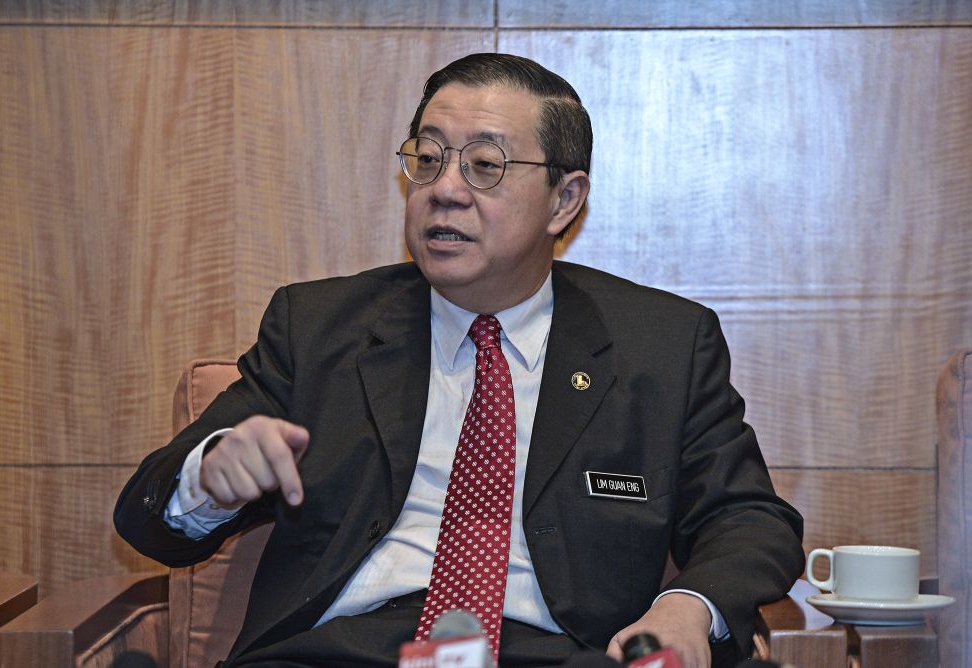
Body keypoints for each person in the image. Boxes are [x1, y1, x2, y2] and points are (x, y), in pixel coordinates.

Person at [115, 53, 804, 668]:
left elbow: (749, 521)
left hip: (552, 654)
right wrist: (209, 474)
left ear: (564, 200)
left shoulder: (661, 345)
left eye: (485, 165)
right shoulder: (320, 329)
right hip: (338, 651)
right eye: (429, 157)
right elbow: (148, 522)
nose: (445, 188)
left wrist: (687, 606)